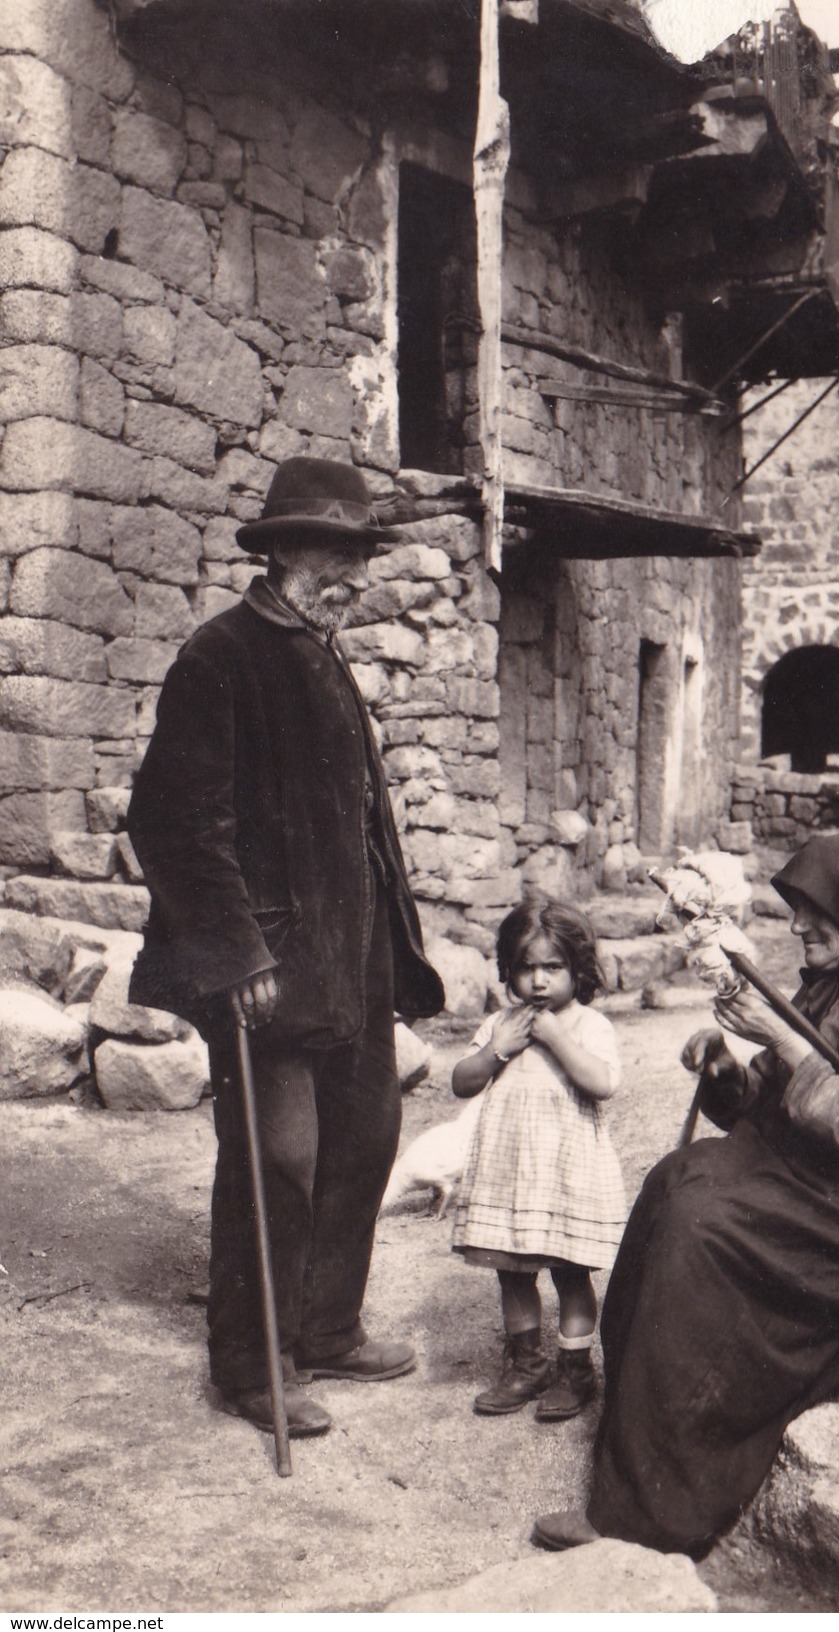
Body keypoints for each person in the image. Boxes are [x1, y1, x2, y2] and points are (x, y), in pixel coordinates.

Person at [532, 832, 839, 1555]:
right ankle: (642, 1431)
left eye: (814, 912)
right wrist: (724, 1070)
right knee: (673, 1182)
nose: (795, 927)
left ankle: (651, 1513)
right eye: (795, 909)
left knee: (703, 1224)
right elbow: (778, 1101)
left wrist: (781, 1043)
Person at [127, 455, 444, 1439]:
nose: (356, 574)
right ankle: (250, 1360)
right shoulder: (220, 657)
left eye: (362, 554)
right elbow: (175, 822)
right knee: (279, 1159)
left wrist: (391, 949)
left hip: (353, 959)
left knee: (366, 1140)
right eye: (340, 553)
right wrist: (234, 957)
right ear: (286, 551)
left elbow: (356, 823)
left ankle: (327, 1328)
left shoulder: (322, 648)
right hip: (268, 970)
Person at [451, 898, 627, 1421]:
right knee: (513, 1273)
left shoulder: (589, 1025)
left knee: (571, 1274)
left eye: (553, 968)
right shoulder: (502, 1024)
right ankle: (526, 1364)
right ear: (509, 970)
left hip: (566, 1175)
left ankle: (576, 1370)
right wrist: (496, 1050)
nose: (539, 981)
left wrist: (554, 1037)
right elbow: (462, 1082)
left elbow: (603, 1083)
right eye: (526, 968)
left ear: (578, 969)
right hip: (511, 1177)